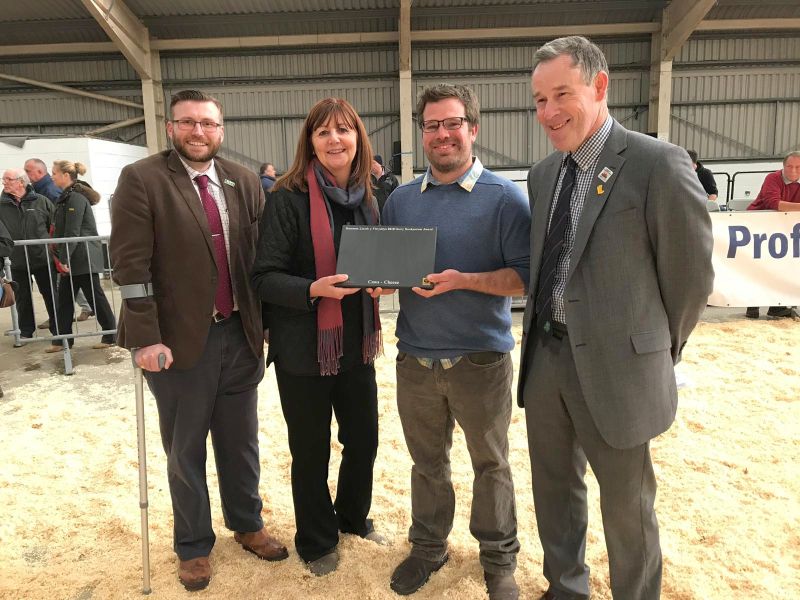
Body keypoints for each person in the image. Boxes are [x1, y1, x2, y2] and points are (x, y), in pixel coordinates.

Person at [521, 36, 714, 600]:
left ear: (599, 87)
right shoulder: (542, 175)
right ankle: (566, 589)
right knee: (554, 492)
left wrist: (652, 349)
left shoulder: (657, 163)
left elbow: (690, 280)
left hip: (619, 368)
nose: (549, 112)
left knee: (628, 506)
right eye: (539, 100)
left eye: (562, 94)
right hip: (547, 360)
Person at [109, 89, 287, 592]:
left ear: (221, 129)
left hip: (240, 335)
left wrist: (267, 323)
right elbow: (130, 266)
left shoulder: (244, 180)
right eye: (187, 123)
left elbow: (259, 261)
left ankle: (247, 523)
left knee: (241, 443)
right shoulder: (142, 179)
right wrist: (145, 337)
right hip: (178, 342)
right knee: (185, 450)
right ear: (171, 128)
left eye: (208, 124)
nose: (198, 132)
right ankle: (192, 545)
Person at [379, 83, 530, 600]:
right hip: (416, 358)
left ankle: (498, 558)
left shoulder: (506, 197)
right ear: (422, 133)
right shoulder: (400, 200)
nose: (442, 134)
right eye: (431, 126)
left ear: (472, 129)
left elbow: (525, 278)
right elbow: (394, 269)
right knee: (427, 462)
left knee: (491, 463)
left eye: (452, 123)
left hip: (480, 359)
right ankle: (428, 547)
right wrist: (380, 281)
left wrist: (466, 279)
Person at [251, 97, 383, 577]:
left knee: (364, 440)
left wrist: (382, 280)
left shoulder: (369, 198)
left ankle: (351, 518)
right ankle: (316, 538)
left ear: (357, 139)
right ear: (310, 141)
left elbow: (378, 263)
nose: (334, 140)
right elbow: (264, 276)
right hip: (304, 349)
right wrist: (312, 288)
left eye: (343, 131)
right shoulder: (287, 199)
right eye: (323, 132)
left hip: (356, 345)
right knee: (310, 449)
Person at [44, 161, 116, 353]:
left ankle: (111, 335)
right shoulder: (66, 197)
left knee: (95, 298)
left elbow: (73, 231)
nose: (52, 177)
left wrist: (64, 258)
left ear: (66, 175)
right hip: (75, 257)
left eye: (54, 173)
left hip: (82, 258)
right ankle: (62, 340)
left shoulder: (75, 198)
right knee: (65, 300)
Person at [25, 157, 94, 324]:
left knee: (66, 284)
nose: (26, 174)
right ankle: (63, 323)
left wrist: (62, 252)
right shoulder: (43, 189)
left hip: (64, 247)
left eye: (28, 171)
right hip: (60, 245)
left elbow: (67, 223)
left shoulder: (52, 191)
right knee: (67, 285)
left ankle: (64, 322)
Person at [0, 168, 58, 340]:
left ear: (21, 181)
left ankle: (58, 330)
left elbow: (53, 226)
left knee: (51, 295)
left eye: (9, 179)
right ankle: (26, 331)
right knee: (22, 298)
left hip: (41, 258)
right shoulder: (1, 206)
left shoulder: (41, 201)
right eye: (3, 180)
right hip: (16, 260)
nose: (5, 183)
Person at [745, 150, 800, 319]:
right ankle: (751, 304)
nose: (793, 171)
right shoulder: (772, 178)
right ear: (783, 166)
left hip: (786, 229)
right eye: (789, 166)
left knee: (785, 264)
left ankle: (779, 306)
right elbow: (773, 203)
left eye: (798, 167)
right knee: (755, 265)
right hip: (758, 227)